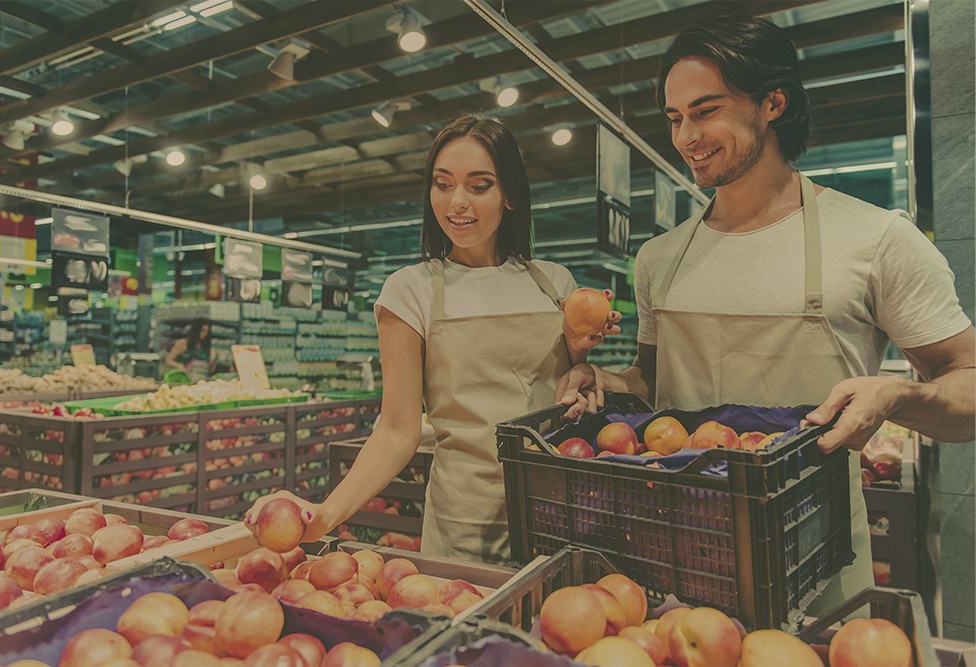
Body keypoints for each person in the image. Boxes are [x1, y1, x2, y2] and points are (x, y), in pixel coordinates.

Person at [556, 15, 974, 611]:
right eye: (674, 118)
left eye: (705, 111)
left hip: (815, 562)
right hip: (671, 560)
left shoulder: (876, 240)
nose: (685, 136)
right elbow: (651, 385)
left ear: (773, 102)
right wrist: (600, 381)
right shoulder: (659, 259)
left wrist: (896, 396)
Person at [247, 114, 620, 564]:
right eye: (443, 185)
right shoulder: (411, 290)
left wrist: (583, 364)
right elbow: (397, 429)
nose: (456, 202)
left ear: (510, 196)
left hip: (561, 511)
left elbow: (558, 393)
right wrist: (326, 513)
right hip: (466, 524)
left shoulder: (555, 283)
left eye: (479, 185)